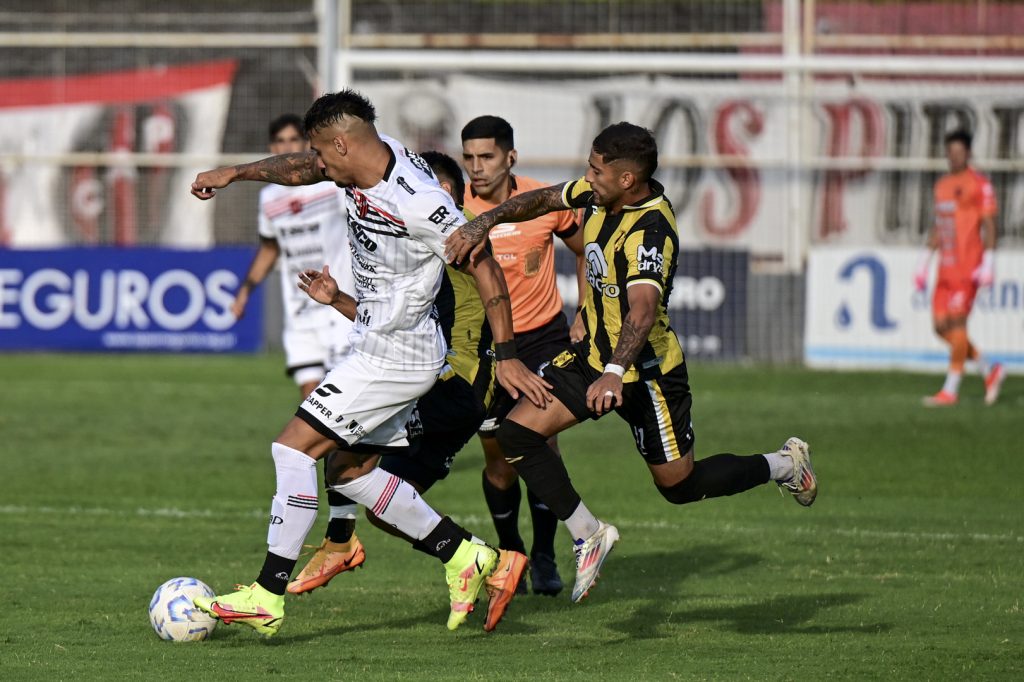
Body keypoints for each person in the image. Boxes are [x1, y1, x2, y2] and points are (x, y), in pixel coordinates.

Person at [187, 90, 550, 636]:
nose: (318, 165)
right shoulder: (369, 157)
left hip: (396, 355)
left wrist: (509, 356)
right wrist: (234, 173)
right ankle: (468, 556)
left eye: (321, 152)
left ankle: (266, 594)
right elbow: (303, 167)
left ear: (342, 144)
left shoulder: (418, 201)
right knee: (349, 471)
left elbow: (485, 267)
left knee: (292, 448)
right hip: (382, 343)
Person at [445, 122, 818, 603]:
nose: (586, 177)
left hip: (648, 374)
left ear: (626, 179)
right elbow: (542, 200)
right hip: (591, 358)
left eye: (595, 170)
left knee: (678, 486)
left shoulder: (651, 230)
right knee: (516, 433)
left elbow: (642, 311)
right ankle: (588, 533)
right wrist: (485, 221)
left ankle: (783, 465)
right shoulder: (600, 193)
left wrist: (615, 373)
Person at [287, 151, 512, 607]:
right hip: (439, 381)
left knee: (337, 432)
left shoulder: (455, 236)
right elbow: (395, 324)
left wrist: (509, 357)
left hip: (456, 384)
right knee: (383, 502)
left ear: (440, 193)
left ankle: (339, 543)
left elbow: (492, 285)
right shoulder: (418, 242)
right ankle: (489, 564)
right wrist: (339, 299)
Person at [461, 115, 587, 596]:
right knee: (498, 461)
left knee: (541, 446)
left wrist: (584, 310)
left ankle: (545, 556)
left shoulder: (543, 200)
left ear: (510, 157)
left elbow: (586, 248)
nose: (476, 167)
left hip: (543, 341)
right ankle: (511, 551)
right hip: (486, 346)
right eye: (469, 157)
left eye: (487, 156)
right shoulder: (453, 208)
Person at [231, 114, 353, 398]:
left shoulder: (331, 185)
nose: (286, 147)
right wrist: (245, 292)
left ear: (307, 144)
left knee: (340, 404)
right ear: (271, 148)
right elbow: (270, 248)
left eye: (293, 139)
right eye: (279, 141)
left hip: (339, 306)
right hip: (300, 313)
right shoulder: (269, 198)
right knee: (311, 405)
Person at [914, 128, 1005, 406]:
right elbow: (939, 225)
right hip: (945, 268)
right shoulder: (942, 185)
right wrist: (924, 261)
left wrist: (989, 262)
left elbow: (989, 223)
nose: (954, 157)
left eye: (959, 152)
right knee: (940, 327)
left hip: (968, 267)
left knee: (958, 324)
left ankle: (950, 390)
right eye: (950, 152)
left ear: (968, 153)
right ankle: (989, 369)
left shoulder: (979, 184)